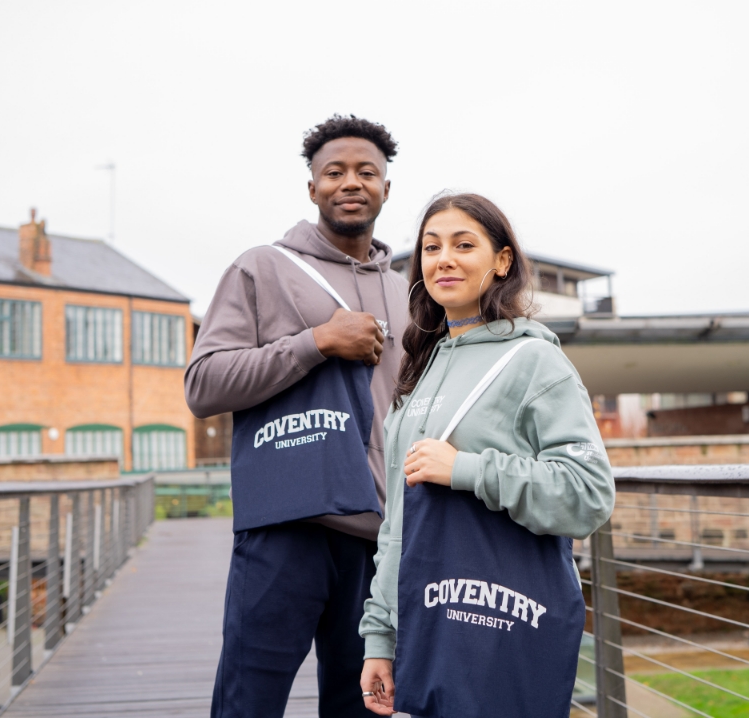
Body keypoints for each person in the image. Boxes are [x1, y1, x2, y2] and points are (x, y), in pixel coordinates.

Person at [359, 193, 616, 718]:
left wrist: (466, 469)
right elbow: (397, 523)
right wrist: (380, 637)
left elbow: (588, 493)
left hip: (497, 624)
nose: (443, 259)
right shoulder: (419, 368)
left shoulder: (535, 360)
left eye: (463, 245)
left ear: (502, 261)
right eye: (431, 247)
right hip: (426, 628)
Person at [185, 115, 408, 718]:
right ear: (312, 188)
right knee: (249, 703)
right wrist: (316, 343)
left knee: (364, 707)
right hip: (288, 525)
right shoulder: (262, 268)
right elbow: (202, 386)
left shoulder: (407, 293)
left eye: (367, 172)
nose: (351, 182)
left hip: (380, 538)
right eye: (334, 172)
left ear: (387, 188)